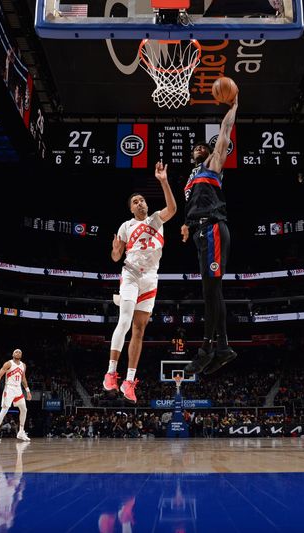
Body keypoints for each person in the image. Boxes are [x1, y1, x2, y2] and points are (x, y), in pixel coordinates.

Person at [104, 161, 177, 403]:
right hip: (131, 274)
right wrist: (115, 251)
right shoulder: (126, 225)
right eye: (135, 202)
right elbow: (116, 257)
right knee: (124, 320)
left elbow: (173, 209)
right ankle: (111, 373)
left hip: (150, 278)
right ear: (131, 209)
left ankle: (128, 381)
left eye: (142, 200)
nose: (140, 203)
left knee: (139, 330)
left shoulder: (156, 219)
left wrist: (163, 181)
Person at [182, 95, 239, 376]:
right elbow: (192, 206)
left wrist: (233, 108)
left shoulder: (213, 165)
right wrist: (186, 225)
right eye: (196, 147)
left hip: (213, 228)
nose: (199, 148)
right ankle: (223, 346)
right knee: (211, 291)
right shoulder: (191, 180)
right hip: (200, 232)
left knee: (211, 290)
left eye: (203, 146)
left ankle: (208, 348)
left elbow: (225, 132)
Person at [0, 348, 32, 441]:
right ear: (13, 354)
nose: (18, 353)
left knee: (24, 409)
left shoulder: (23, 365)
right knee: (4, 410)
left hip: (18, 389)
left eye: (20, 352)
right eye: (16, 351)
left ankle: (21, 432)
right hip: (9, 388)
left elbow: (23, 378)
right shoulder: (8, 363)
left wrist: (28, 391)